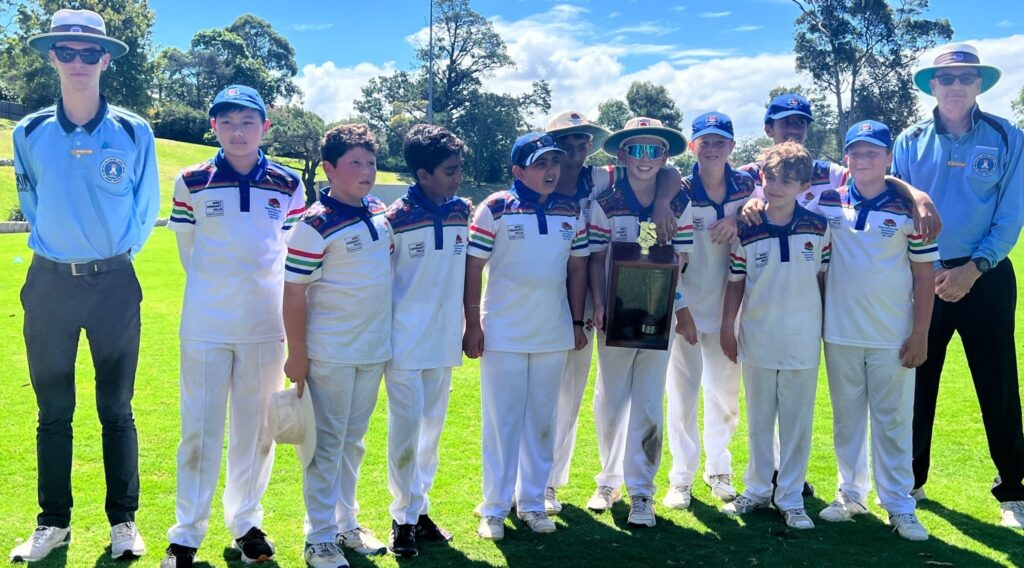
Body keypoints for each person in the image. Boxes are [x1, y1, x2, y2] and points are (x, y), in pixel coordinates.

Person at [10, 8, 158, 563]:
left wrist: (108, 259)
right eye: (66, 51)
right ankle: (54, 524)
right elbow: (32, 202)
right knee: (54, 412)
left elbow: (145, 210)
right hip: (48, 284)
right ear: (51, 56)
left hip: (114, 283)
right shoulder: (29, 131)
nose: (78, 61)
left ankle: (124, 522)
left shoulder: (134, 130)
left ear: (105, 59)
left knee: (117, 408)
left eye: (88, 52)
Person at [161, 85, 305, 567]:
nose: (238, 131)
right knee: (199, 431)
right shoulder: (191, 180)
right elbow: (188, 252)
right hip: (205, 322)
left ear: (265, 127)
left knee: (257, 431)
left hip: (266, 325)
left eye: (248, 121)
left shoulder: (288, 183)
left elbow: (290, 257)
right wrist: (216, 295)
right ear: (214, 127)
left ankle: (245, 522)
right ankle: (186, 532)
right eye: (227, 122)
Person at [893, 42, 1024, 528]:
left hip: (984, 277)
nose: (955, 86)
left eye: (965, 78)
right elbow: (899, 205)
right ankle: (909, 484)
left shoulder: (1008, 137)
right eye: (946, 79)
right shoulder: (909, 141)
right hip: (922, 275)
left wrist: (974, 269)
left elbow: (1011, 216)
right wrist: (928, 270)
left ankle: (1013, 491)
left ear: (979, 85)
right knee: (916, 378)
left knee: (998, 385)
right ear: (933, 85)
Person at [542, 110, 682, 514]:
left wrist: (661, 201)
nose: (574, 149)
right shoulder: (537, 180)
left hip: (597, 298)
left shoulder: (600, 178)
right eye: (564, 142)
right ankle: (546, 483)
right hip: (551, 296)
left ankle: (624, 485)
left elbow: (668, 174)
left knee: (600, 393)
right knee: (558, 394)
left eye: (581, 141)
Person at [812, 120, 937, 540]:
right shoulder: (828, 201)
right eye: (856, 152)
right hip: (840, 331)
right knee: (847, 420)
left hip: (892, 333)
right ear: (845, 157)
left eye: (873, 152)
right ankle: (851, 493)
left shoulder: (908, 210)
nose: (863, 159)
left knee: (893, 421)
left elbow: (924, 277)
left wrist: (920, 333)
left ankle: (900, 504)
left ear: (887, 158)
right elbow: (783, 208)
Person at [464, 133, 589, 541]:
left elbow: (576, 269)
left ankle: (532, 502)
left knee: (541, 421)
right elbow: (473, 267)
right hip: (503, 332)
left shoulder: (572, 209)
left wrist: (574, 324)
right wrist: (473, 323)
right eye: (540, 164)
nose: (551, 170)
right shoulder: (495, 208)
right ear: (518, 171)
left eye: (554, 162)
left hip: (552, 332)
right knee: (502, 423)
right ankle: (495, 507)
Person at [283, 124, 393, 567]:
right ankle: (319, 537)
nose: (366, 171)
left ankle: (347, 524)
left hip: (373, 349)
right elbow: (293, 294)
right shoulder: (312, 225)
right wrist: (298, 355)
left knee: (354, 441)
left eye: (370, 162)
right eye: (355, 163)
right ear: (329, 168)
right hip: (330, 352)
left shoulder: (379, 210)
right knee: (326, 445)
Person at [587, 117, 694, 527]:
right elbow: (597, 258)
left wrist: (676, 307)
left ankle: (642, 493)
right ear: (622, 154)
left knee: (649, 401)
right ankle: (607, 480)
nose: (645, 159)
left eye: (654, 150)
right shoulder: (606, 202)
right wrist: (599, 304)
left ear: (664, 156)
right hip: (615, 315)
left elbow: (681, 262)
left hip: (659, 315)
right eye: (637, 149)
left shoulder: (679, 203)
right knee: (610, 401)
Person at [720, 142, 830, 530]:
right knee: (760, 419)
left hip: (802, 338)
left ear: (803, 185)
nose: (776, 185)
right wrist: (726, 329)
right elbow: (735, 283)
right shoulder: (746, 228)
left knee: (797, 422)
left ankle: (791, 496)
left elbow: (824, 279)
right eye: (770, 177)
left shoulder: (818, 226)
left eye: (788, 180)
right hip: (759, 336)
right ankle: (756, 490)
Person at [383, 124, 469, 557]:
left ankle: (419, 507)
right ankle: (401, 518)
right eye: (450, 170)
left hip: (443, 341)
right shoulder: (393, 220)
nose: (457, 177)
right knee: (405, 432)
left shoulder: (460, 212)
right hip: (403, 343)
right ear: (423, 174)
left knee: (431, 432)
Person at [663, 113, 753, 510]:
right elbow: (666, 256)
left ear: (732, 146)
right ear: (693, 146)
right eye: (705, 142)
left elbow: (768, 207)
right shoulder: (678, 192)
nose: (713, 148)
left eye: (720, 141)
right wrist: (680, 307)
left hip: (731, 310)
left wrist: (737, 216)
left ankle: (719, 469)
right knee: (681, 397)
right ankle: (680, 478)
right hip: (686, 309)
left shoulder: (749, 187)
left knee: (725, 397)